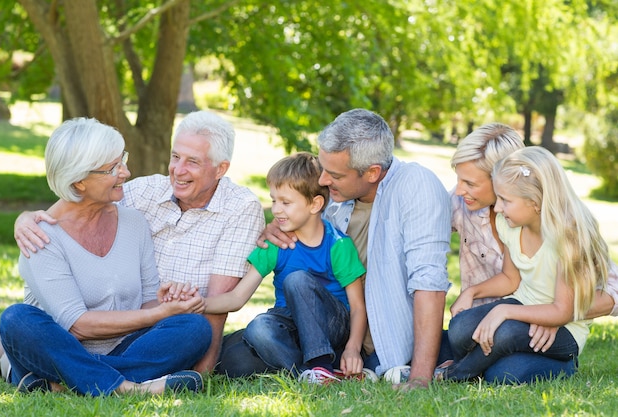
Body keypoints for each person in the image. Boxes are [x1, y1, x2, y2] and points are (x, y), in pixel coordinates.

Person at [12, 111, 266, 374]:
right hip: (74, 339)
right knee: (16, 321)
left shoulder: (136, 217)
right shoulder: (141, 193)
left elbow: (210, 304)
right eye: (175, 157)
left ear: (220, 169)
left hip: (137, 339)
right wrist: (26, 218)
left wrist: (201, 373)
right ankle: (121, 382)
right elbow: (77, 202)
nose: (178, 171)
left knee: (193, 328)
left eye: (193, 162)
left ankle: (72, 376)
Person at [226, 109, 451, 388]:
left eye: (333, 174)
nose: (322, 181)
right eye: (323, 170)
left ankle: (331, 370)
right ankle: (320, 373)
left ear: (372, 172)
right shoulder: (335, 195)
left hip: (377, 341)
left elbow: (429, 283)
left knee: (244, 356)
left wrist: (420, 378)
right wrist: (279, 227)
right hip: (317, 328)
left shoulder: (416, 186)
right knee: (233, 358)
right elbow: (303, 215)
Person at [0, 118, 210, 395]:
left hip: (123, 348)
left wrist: (167, 303)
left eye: (122, 159)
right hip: (61, 346)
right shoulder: (40, 236)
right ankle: (129, 388)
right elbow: (78, 326)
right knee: (16, 319)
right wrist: (160, 312)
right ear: (79, 181)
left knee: (194, 327)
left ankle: (64, 383)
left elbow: (148, 306)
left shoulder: (133, 222)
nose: (126, 171)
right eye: (113, 167)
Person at [436, 123, 618, 384]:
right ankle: (488, 360)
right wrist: (472, 293)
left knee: (505, 359)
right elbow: (511, 279)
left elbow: (563, 310)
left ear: (533, 202)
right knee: (460, 328)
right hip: (523, 308)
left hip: (561, 328)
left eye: (505, 200)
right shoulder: (510, 222)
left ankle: (454, 374)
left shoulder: (567, 237)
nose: (498, 208)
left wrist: (509, 313)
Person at [201, 152, 368, 384]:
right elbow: (237, 298)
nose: (276, 210)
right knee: (251, 338)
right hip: (290, 327)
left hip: (331, 325)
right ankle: (313, 372)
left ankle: (320, 363)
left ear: (315, 204)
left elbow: (358, 307)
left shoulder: (337, 245)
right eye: (274, 200)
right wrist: (197, 304)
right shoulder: (275, 244)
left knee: (297, 280)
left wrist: (353, 348)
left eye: (286, 202)